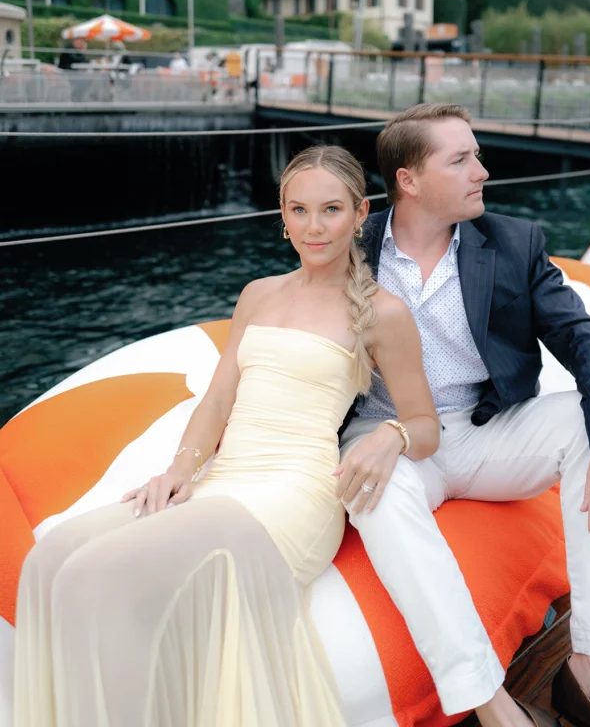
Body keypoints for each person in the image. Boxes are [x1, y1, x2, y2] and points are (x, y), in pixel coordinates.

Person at [13, 145, 440, 727]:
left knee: (94, 576)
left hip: (295, 492)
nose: (314, 227)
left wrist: (390, 435)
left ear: (361, 211)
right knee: (51, 559)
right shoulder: (258, 293)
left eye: (331, 210)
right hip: (225, 475)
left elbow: (425, 425)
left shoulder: (383, 312)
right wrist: (179, 471)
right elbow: (218, 399)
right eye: (299, 210)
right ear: (282, 214)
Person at [337, 103, 590, 727]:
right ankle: (490, 702)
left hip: (487, 434)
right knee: (369, 486)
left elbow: (583, 337)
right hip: (394, 439)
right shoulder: (353, 250)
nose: (482, 171)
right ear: (408, 180)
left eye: (477, 155)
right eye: (460, 160)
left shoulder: (515, 242)